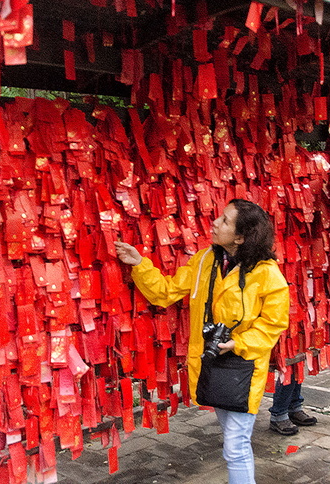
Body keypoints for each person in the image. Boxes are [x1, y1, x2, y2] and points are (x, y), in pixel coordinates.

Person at [115, 199, 289, 484]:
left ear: (241, 237)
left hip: (242, 367)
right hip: (211, 364)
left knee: (235, 444)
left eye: (224, 221)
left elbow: (273, 323)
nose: (215, 223)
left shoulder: (267, 274)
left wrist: (239, 343)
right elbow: (167, 292)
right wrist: (139, 264)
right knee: (231, 434)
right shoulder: (205, 261)